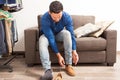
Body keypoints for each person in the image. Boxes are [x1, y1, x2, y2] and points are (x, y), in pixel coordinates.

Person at [39, 1, 79, 80]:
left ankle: (68, 65)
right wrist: (59, 55)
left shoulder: (67, 17)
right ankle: (48, 71)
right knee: (42, 41)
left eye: (59, 17)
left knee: (67, 34)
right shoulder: (44, 18)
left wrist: (74, 50)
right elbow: (50, 38)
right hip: (47, 35)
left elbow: (72, 34)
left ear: (62, 11)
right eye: (54, 17)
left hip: (58, 33)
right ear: (49, 12)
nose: (57, 20)